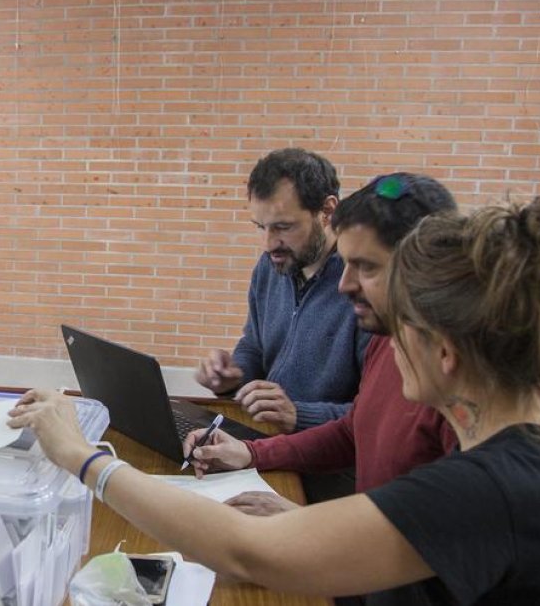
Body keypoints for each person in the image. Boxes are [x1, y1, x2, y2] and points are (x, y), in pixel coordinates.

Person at [10, 190, 540, 603]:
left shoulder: (498, 484)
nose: (377, 333)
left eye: (396, 322)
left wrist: (82, 457)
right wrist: (313, 526)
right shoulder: (536, 455)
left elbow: (247, 552)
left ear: (444, 352)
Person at [192, 173, 459, 517]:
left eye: (365, 267)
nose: (344, 285)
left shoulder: (457, 386)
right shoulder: (388, 337)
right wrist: (252, 452)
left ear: (428, 268)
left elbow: (432, 543)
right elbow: (354, 431)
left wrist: (303, 522)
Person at [195, 148, 368, 433]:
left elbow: (378, 413)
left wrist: (299, 415)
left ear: (327, 211)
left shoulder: (364, 286)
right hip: (269, 438)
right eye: (261, 227)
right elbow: (255, 344)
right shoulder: (271, 266)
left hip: (328, 459)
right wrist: (232, 376)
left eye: (283, 227)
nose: (269, 244)